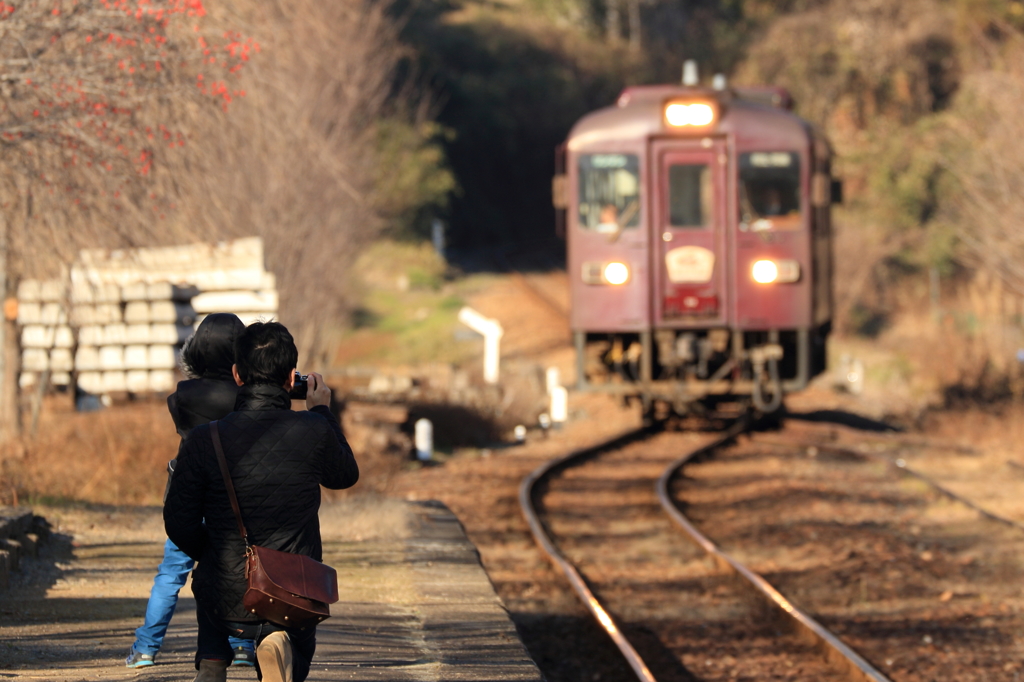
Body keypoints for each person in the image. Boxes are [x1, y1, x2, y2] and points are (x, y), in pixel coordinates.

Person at [164, 321, 359, 682]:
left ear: (238, 375)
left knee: (207, 578)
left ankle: (211, 664)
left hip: (226, 595)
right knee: (294, 627)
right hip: (292, 589)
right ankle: (275, 642)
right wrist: (321, 412)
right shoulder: (313, 430)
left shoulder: (206, 439)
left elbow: (178, 521)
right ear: (290, 378)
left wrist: (213, 552)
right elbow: (345, 476)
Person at [126, 313, 256, 668]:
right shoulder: (248, 397)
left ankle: (146, 648)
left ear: (196, 349)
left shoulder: (182, 395)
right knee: (238, 570)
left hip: (189, 492)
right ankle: (242, 645)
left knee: (171, 573)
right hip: (234, 494)